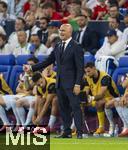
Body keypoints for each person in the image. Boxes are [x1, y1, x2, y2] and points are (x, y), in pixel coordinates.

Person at [23, 23, 84, 139]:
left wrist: (77, 84)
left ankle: (80, 132)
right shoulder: (58, 45)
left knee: (75, 106)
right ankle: (67, 131)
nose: (61, 32)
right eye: (60, 30)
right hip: (59, 82)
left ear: (70, 32)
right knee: (63, 107)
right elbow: (48, 61)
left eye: (63, 31)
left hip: (72, 83)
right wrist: (31, 68)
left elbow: (80, 67)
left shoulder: (76, 46)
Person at [84, 62, 119, 136]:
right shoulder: (88, 77)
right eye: (86, 72)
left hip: (112, 97)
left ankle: (102, 127)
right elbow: (86, 90)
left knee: (98, 103)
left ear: (94, 68)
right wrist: (85, 97)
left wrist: (91, 98)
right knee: (80, 103)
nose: (87, 74)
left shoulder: (105, 77)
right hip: (97, 98)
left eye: (88, 71)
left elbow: (101, 94)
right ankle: (77, 128)